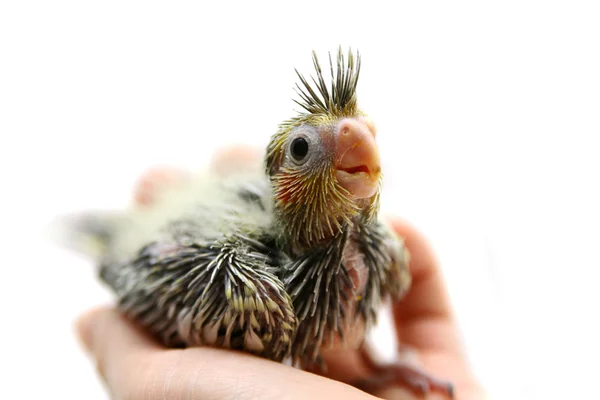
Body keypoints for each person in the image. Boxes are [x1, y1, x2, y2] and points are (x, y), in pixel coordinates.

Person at [75, 152, 488, 400]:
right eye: (305, 148)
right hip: (160, 243)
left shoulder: (380, 253)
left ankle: (371, 366)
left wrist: (375, 373)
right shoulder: (246, 285)